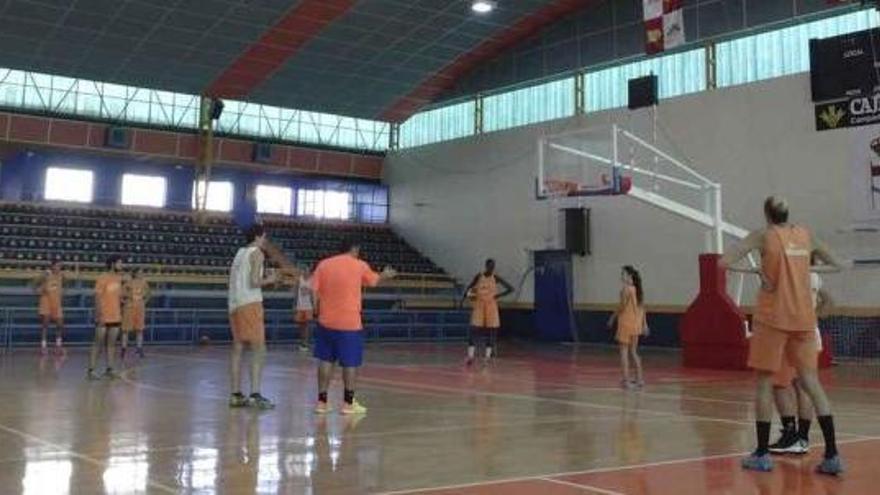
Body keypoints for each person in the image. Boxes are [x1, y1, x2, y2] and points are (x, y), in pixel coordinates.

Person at [720, 196, 849, 475]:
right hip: (803, 319)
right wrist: (808, 268)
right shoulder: (805, 235)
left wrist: (755, 269)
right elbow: (837, 264)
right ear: (788, 214)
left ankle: (762, 453)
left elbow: (723, 261)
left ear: (766, 214)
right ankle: (832, 454)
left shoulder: (763, 236)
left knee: (765, 383)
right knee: (811, 383)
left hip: (773, 319)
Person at [311, 241, 396, 415]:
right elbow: (374, 281)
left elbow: (313, 290)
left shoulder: (324, 264)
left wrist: (316, 310)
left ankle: (322, 402)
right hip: (349, 322)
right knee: (350, 363)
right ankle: (348, 403)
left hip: (326, 320)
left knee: (325, 360)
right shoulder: (359, 265)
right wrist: (385, 275)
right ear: (354, 249)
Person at [765, 256, 830, 455]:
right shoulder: (815, 277)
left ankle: (790, 434)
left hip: (792, 332)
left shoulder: (795, 275)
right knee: (804, 386)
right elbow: (826, 300)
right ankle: (802, 438)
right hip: (810, 331)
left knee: (779, 384)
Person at [228, 224, 278, 409]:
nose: (265, 241)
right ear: (258, 236)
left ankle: (235, 394)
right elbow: (254, 282)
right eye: (264, 237)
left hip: (234, 303)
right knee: (259, 349)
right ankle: (255, 394)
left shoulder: (239, 253)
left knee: (238, 348)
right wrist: (271, 280)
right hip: (250, 303)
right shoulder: (257, 253)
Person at [460, 259, 513, 365]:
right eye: (490, 266)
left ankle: (487, 358)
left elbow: (510, 288)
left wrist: (498, 296)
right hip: (479, 305)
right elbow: (469, 287)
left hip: (491, 305)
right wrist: (464, 298)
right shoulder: (479, 276)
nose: (491, 268)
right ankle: (470, 356)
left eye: (493, 266)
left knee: (491, 332)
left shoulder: (495, 277)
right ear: (486, 266)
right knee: (473, 330)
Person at [607, 265, 647, 389]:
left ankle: (626, 381)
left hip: (626, 323)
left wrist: (612, 317)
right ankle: (640, 379)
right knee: (634, 352)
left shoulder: (626, 289)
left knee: (623, 352)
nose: (621, 276)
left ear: (629, 275)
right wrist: (644, 324)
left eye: (623, 273)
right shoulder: (638, 290)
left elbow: (622, 307)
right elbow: (642, 309)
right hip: (636, 324)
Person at [89, 256, 125, 380]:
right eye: (119, 262)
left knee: (112, 344)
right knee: (97, 344)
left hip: (115, 315)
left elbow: (119, 297)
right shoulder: (102, 277)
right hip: (104, 316)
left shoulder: (119, 278)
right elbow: (97, 297)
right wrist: (99, 314)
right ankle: (91, 370)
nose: (121, 265)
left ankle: (110, 369)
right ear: (112, 264)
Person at [34, 260, 65, 355]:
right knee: (45, 325)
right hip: (46, 303)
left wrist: (62, 291)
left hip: (57, 303)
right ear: (52, 266)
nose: (59, 268)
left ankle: (58, 346)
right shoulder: (46, 275)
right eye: (57, 266)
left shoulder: (61, 276)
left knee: (60, 324)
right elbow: (35, 284)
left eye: (60, 266)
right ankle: (43, 346)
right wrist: (38, 291)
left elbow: (65, 283)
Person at [121, 268, 151, 360]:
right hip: (129, 309)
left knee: (140, 330)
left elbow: (149, 294)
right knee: (126, 330)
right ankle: (123, 349)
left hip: (140, 309)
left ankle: (139, 349)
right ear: (135, 274)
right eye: (139, 273)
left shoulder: (144, 283)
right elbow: (121, 295)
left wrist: (144, 302)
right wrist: (125, 302)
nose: (141, 274)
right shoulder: (128, 283)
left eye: (142, 273)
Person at [294, 268, 315, 352]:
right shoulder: (299, 280)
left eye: (307, 271)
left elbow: (314, 293)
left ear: (309, 272)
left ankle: (305, 343)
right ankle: (302, 342)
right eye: (304, 270)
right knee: (301, 326)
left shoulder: (312, 280)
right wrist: (294, 304)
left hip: (308, 306)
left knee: (306, 325)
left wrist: (314, 305)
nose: (305, 272)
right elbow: (295, 292)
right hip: (300, 306)